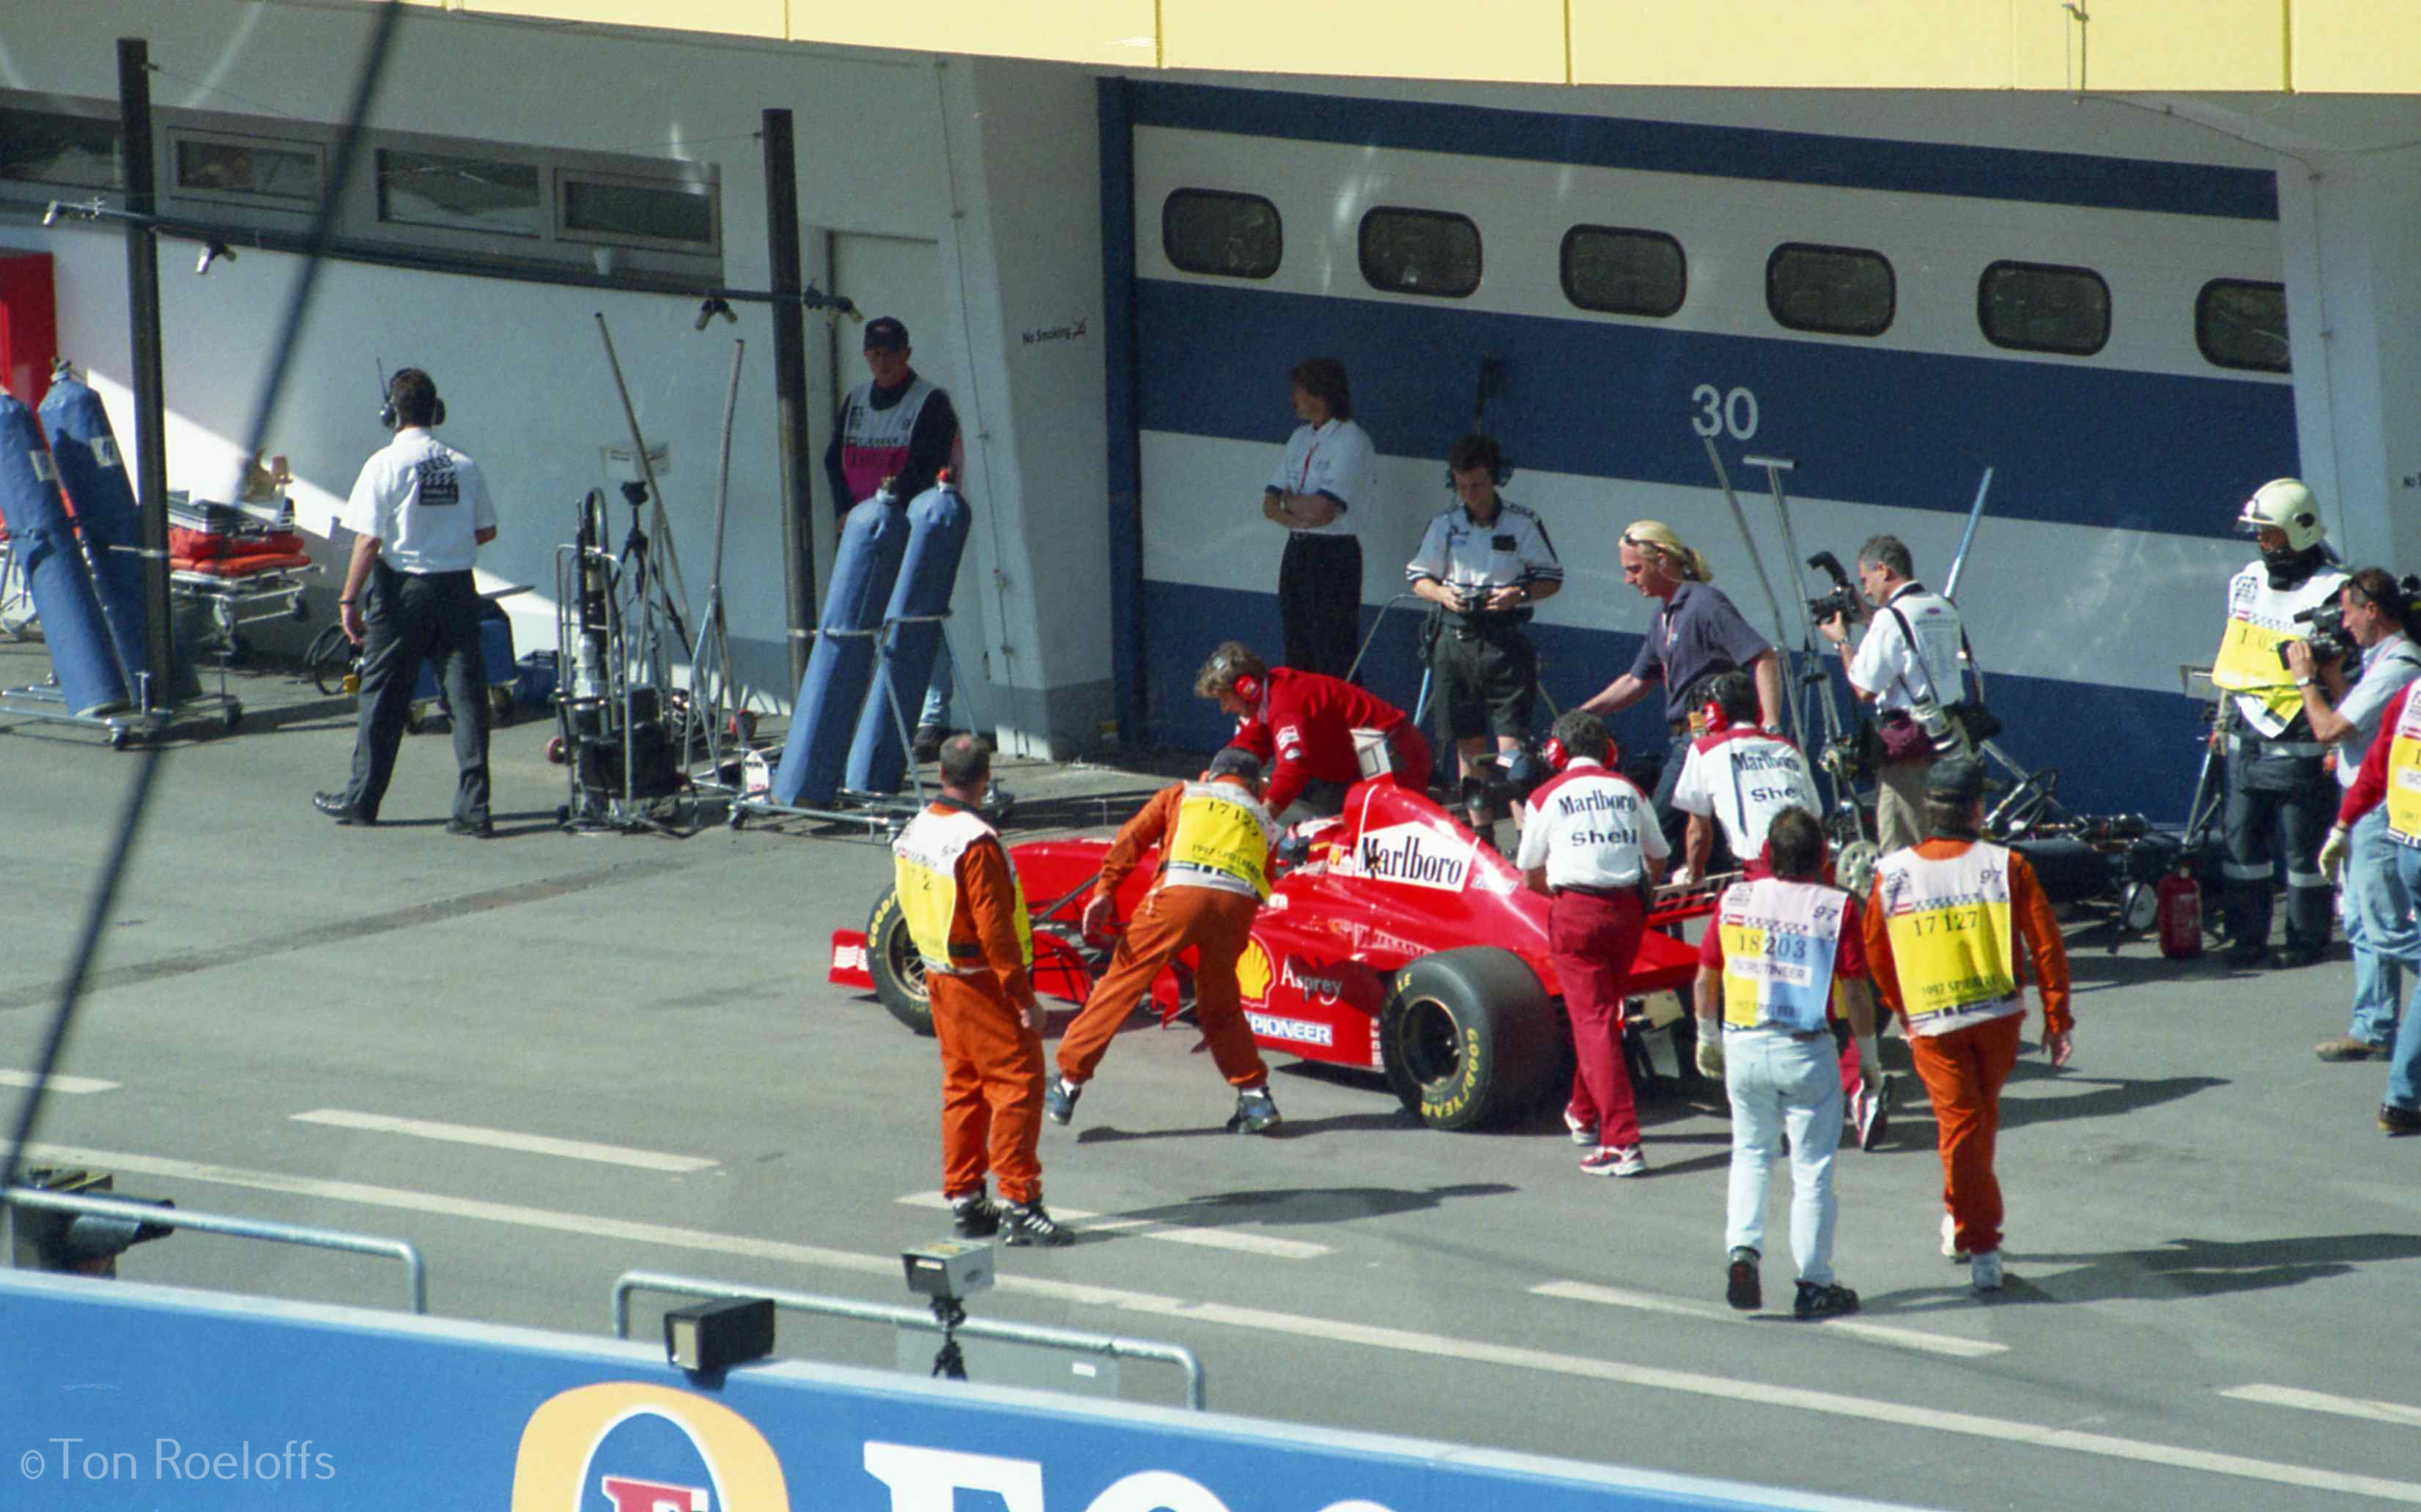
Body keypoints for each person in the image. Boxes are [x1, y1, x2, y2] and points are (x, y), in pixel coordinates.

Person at [1863, 755, 2072, 1293]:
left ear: (1929, 808)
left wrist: (1901, 1009)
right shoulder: (2008, 865)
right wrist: (2056, 1014)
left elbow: (1875, 953)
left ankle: (1973, 1231)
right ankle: (1978, 1238)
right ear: (1977, 809)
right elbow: (2045, 943)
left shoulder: (1891, 874)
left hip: (1935, 1025)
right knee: (1970, 1130)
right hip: (1995, 1021)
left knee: (1966, 1131)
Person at [1693, 807, 1879, 1319]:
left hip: (1745, 1045)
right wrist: (1869, 1061)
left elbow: (1707, 977)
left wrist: (1707, 1037)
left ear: (1768, 856)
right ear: (1822, 857)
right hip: (1805, 1050)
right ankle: (1814, 1283)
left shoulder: (1735, 899)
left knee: (1750, 1152)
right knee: (1812, 1170)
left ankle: (1743, 1251)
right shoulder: (1835, 907)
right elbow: (1857, 994)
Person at [891, 734, 1072, 1245]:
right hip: (981, 983)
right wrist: (1024, 1000)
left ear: (942, 773)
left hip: (939, 977)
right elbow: (996, 930)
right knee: (1017, 1086)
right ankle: (1020, 1204)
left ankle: (966, 1202)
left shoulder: (916, 829)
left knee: (964, 1089)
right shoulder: (976, 842)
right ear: (985, 778)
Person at [1046, 747, 1284, 1134]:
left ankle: (1068, 1083)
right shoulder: (1266, 821)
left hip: (1177, 894)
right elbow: (1265, 884)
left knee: (1122, 984)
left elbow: (1131, 840)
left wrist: (1105, 891)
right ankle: (1255, 1098)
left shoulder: (1183, 793)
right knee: (1221, 1002)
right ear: (1258, 787)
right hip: (1235, 909)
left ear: (1209, 774)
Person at [314, 368, 497, 836]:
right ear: (436, 411)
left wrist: (348, 598)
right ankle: (474, 810)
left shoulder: (384, 465)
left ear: (391, 414)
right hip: (457, 588)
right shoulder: (463, 464)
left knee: (384, 697)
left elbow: (368, 541)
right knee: (466, 699)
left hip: (403, 592)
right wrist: (447, 538)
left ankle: (362, 799)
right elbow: (486, 530)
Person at [1515, 710, 1667, 1176]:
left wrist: (1566, 898)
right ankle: (1583, 1114)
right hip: (1627, 912)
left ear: (1556, 753)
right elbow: (1658, 858)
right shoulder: (1631, 789)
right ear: (1610, 751)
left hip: (1577, 912)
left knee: (1595, 1020)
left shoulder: (1544, 795)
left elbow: (1528, 873)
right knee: (1601, 1015)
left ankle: (1622, 1142)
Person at [2210, 478, 2350, 968]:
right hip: (2246, 735)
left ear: (2299, 532)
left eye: (2269, 533)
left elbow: (2343, 673)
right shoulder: (2246, 581)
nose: (2261, 542)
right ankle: (2246, 936)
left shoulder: (2334, 590)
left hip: (2301, 734)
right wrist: (2225, 716)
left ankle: (2306, 938)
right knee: (2242, 843)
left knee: (2303, 848)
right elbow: (2234, 652)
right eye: (2259, 533)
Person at [1578, 521, 1785, 851]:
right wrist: (1582, 714)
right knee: (1709, 839)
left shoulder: (1705, 604)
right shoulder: (1662, 617)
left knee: (1656, 830)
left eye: (1634, 569)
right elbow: (1635, 681)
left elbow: (1764, 657)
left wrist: (1771, 726)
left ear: (1661, 560)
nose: (1628, 579)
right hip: (1687, 739)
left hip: (1707, 739)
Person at [2287, 568, 2421, 1061]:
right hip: (2360, 802)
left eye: (2347, 612)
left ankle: (2377, 1024)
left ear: (2372, 610)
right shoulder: (2379, 661)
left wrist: (2305, 681)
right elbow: (2362, 720)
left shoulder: (2398, 666)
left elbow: (2330, 729)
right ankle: (2372, 1026)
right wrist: (2332, 678)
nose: (2342, 624)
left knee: (2385, 925)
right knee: (2363, 925)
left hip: (2380, 808)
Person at [821, 315, 965, 760]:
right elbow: (834, 460)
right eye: (873, 354)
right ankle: (863, 712)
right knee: (861, 616)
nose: (880, 363)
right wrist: (847, 511)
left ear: (906, 353)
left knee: (917, 617)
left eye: (888, 353)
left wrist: (889, 507)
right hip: (864, 531)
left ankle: (932, 717)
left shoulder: (930, 402)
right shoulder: (857, 400)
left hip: (910, 529)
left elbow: (927, 465)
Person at [1406, 433, 1561, 804]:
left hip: (1503, 640)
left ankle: (1523, 837)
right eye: (1461, 486)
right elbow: (1418, 578)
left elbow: (1552, 579)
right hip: (1455, 638)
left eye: (1477, 485)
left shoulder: (1522, 523)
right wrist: (1444, 593)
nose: (1469, 494)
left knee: (1512, 748)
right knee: (1468, 744)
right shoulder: (1443, 524)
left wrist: (1518, 594)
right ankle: (1480, 833)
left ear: (1495, 479)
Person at [1817, 535, 1971, 856]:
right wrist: (1867, 618)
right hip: (1952, 737)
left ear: (1884, 570)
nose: (1867, 590)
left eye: (1866, 579)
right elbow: (1913, 642)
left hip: (1910, 748)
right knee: (1952, 838)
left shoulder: (1890, 619)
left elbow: (1864, 690)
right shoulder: (1942, 607)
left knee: (1903, 845)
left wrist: (1841, 641)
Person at [2319, 662, 2421, 1134]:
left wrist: (2342, 825)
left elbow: (2378, 766)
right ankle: (2401, 1097)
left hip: (2409, 848)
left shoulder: (2412, 696)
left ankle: (2401, 1102)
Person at [1197, 642, 1431, 825]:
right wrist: (1217, 779)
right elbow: (1247, 747)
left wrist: (1261, 822)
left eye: (1225, 699)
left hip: (1395, 756)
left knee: (1384, 837)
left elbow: (1293, 768)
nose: (1224, 708)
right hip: (1370, 759)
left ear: (1246, 688)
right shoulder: (1269, 698)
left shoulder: (1286, 704)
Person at [1261, 357, 1373, 680]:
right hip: (1297, 550)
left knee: (1333, 651)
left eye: (1298, 391)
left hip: (1333, 555)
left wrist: (1290, 502)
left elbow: (1324, 512)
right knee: (1298, 649)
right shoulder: (1299, 438)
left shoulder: (1352, 440)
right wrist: (1298, 515)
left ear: (1320, 395)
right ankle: (1307, 726)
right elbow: (1269, 503)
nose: (1292, 399)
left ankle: (1344, 726)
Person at [1668, 669, 1822, 885]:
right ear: (1758, 711)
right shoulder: (1788, 748)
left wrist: (1694, 875)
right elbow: (1815, 816)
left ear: (1714, 713)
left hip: (1762, 873)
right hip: (1814, 870)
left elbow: (1698, 834)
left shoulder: (1705, 750)